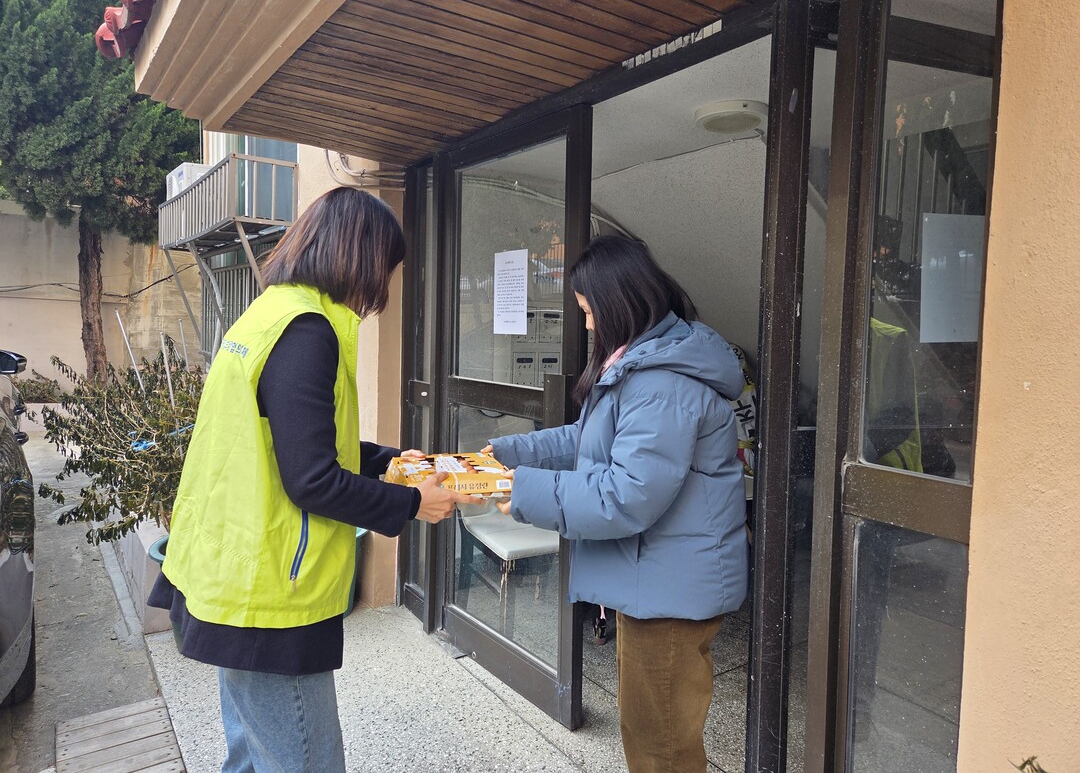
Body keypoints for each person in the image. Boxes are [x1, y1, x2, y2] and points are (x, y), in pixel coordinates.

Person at [149, 187, 476, 773]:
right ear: (362, 256)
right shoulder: (307, 332)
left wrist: (394, 459)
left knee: (252, 756)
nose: (384, 287)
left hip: (236, 573)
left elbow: (299, 445)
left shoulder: (271, 313)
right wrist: (411, 503)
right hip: (271, 593)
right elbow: (313, 480)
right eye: (388, 269)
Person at [484, 234, 749, 773]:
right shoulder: (641, 364)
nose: (585, 325)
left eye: (587, 311)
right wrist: (504, 455)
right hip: (653, 582)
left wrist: (524, 491)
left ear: (619, 302)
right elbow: (583, 440)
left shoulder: (661, 384)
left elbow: (626, 496)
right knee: (651, 735)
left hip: (668, 593)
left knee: (661, 750)